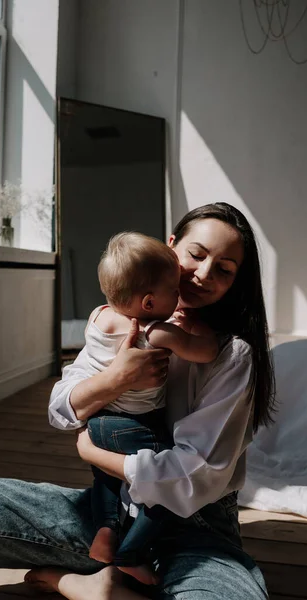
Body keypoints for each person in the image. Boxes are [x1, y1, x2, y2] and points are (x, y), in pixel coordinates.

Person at [0, 203, 275, 600]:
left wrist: (96, 453)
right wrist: (117, 378)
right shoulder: (121, 323)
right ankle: (106, 577)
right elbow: (61, 408)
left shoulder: (232, 354)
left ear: (236, 282)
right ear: (171, 247)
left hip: (197, 533)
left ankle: (92, 587)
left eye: (224, 269)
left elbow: (196, 474)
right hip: (108, 520)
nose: (203, 275)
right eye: (196, 255)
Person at [83, 232, 219, 585]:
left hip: (99, 422)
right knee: (164, 484)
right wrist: (193, 328)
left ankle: (105, 530)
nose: (179, 295)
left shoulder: (98, 317)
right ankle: (131, 553)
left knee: (106, 477)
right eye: (173, 290)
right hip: (134, 423)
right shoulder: (155, 331)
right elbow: (206, 353)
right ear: (147, 303)